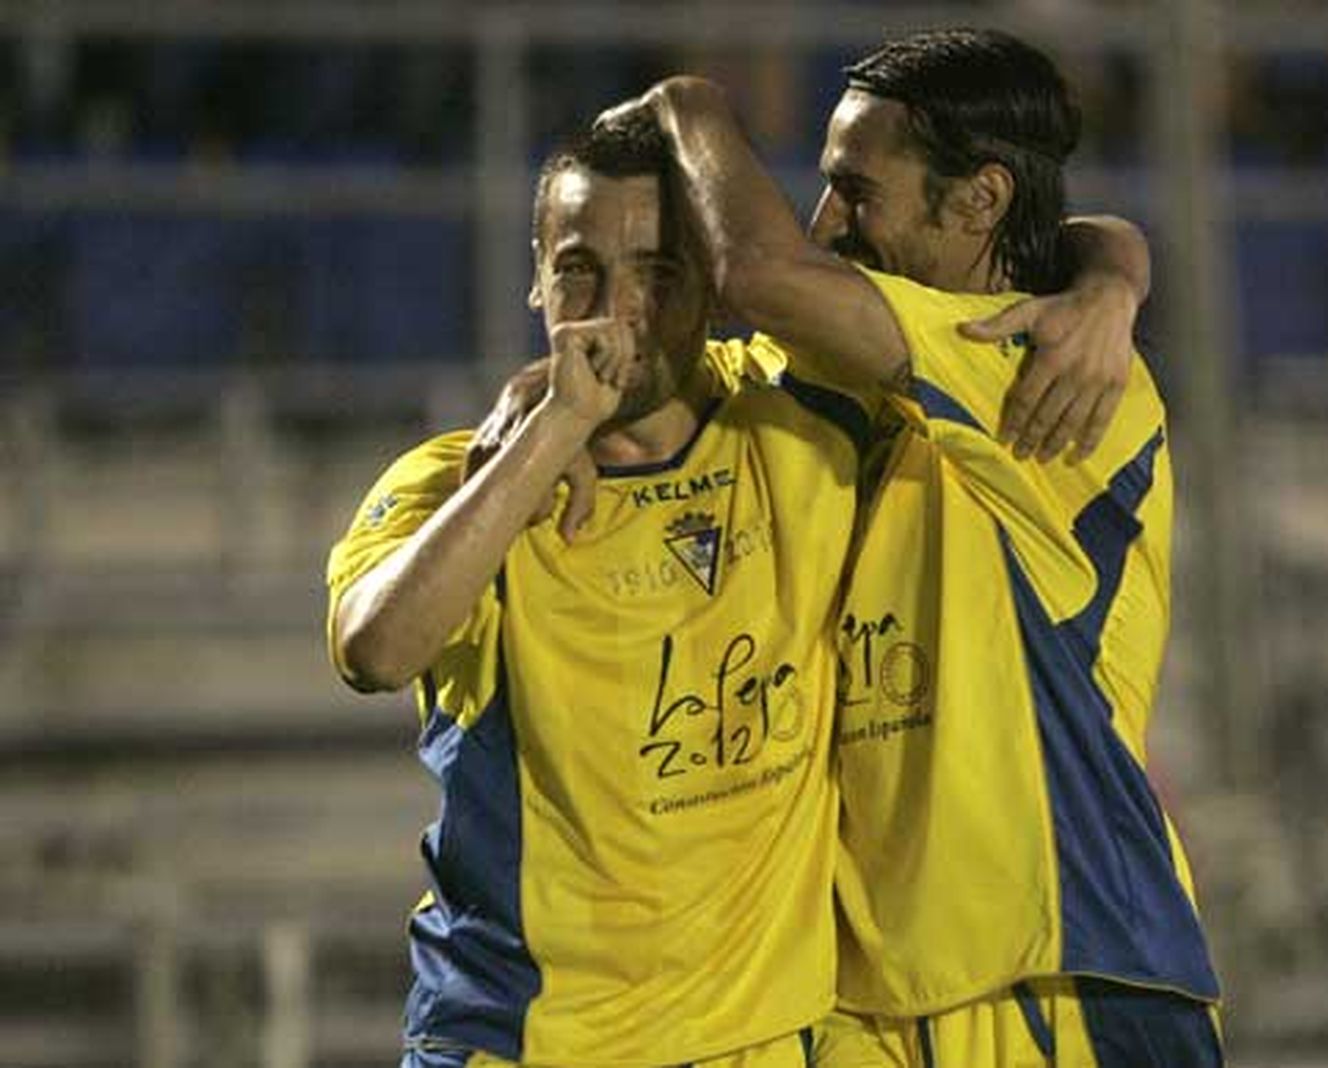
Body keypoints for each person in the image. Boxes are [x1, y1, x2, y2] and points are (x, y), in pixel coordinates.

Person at [619, 27, 1223, 1067]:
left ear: (979, 201)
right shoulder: (842, 377)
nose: (826, 223)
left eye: (856, 193)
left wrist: (688, 105)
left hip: (1066, 975)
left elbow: (757, 270)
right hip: (873, 1000)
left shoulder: (1043, 368)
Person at [326, 113, 865, 1068]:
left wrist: (1116, 271)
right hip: (524, 1045)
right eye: (580, 270)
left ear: (712, 287)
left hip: (760, 1042)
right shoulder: (455, 483)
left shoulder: (801, 432)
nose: (618, 314)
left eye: (658, 276)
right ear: (534, 279)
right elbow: (376, 649)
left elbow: (970, 280)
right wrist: (550, 433)